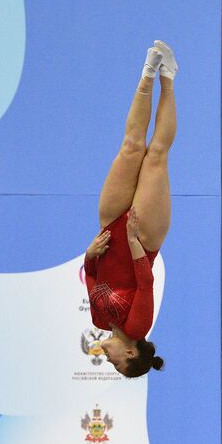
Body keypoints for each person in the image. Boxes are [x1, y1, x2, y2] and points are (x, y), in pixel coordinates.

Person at [83, 41, 178, 377]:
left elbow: (92, 275)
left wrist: (90, 254)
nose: (108, 358)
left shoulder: (99, 319)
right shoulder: (137, 327)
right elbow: (145, 282)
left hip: (111, 226)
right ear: (131, 352)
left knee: (130, 147)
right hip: (144, 237)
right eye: (117, 362)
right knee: (156, 155)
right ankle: (168, 78)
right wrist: (135, 241)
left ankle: (148, 72)